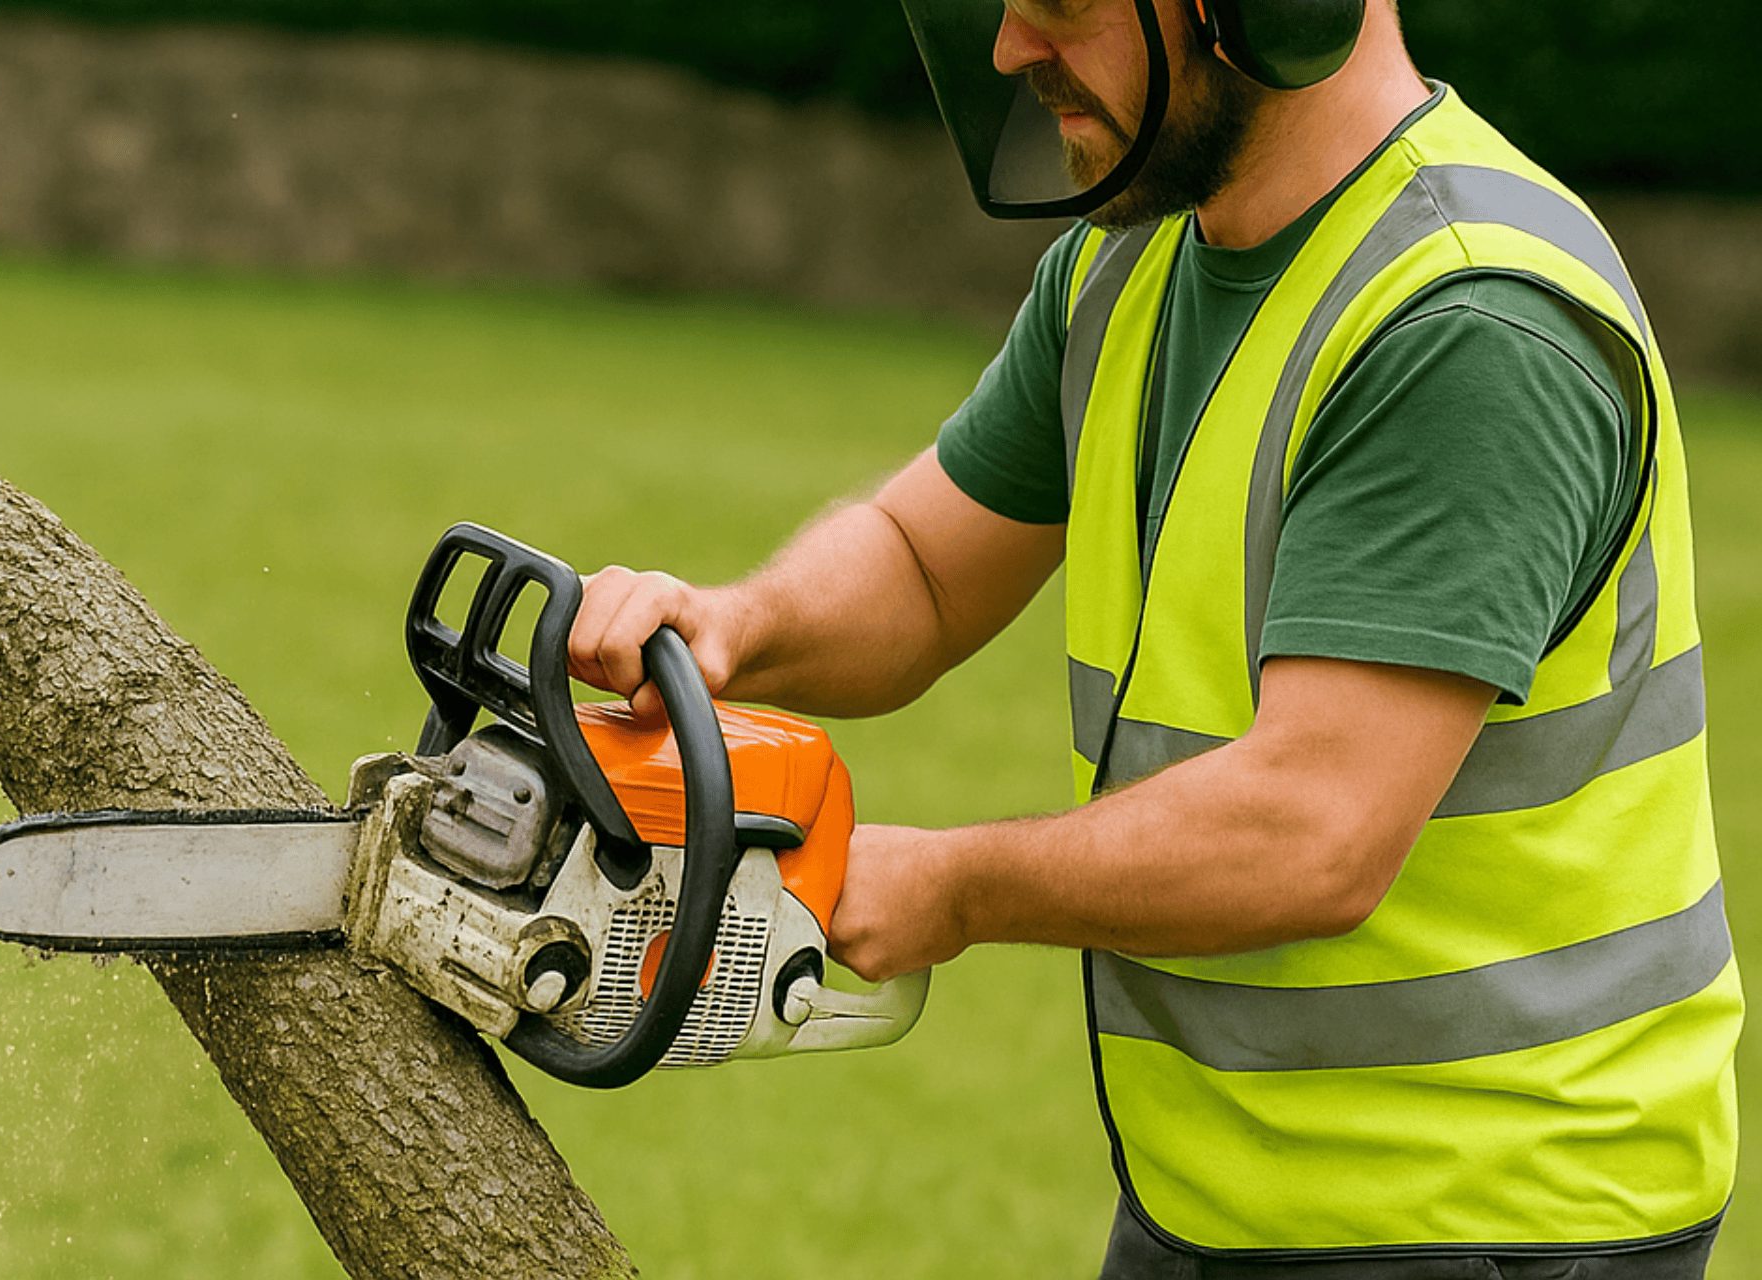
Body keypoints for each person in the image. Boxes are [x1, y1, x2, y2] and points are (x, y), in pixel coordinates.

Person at [566, 0, 1741, 1274]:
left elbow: (1311, 834)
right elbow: (922, 566)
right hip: (1225, 1206)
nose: (1013, 50)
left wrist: (951, 886)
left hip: (1488, 1218)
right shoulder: (1130, 262)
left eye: (1063, 3)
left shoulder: (1467, 321)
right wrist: (737, 624)